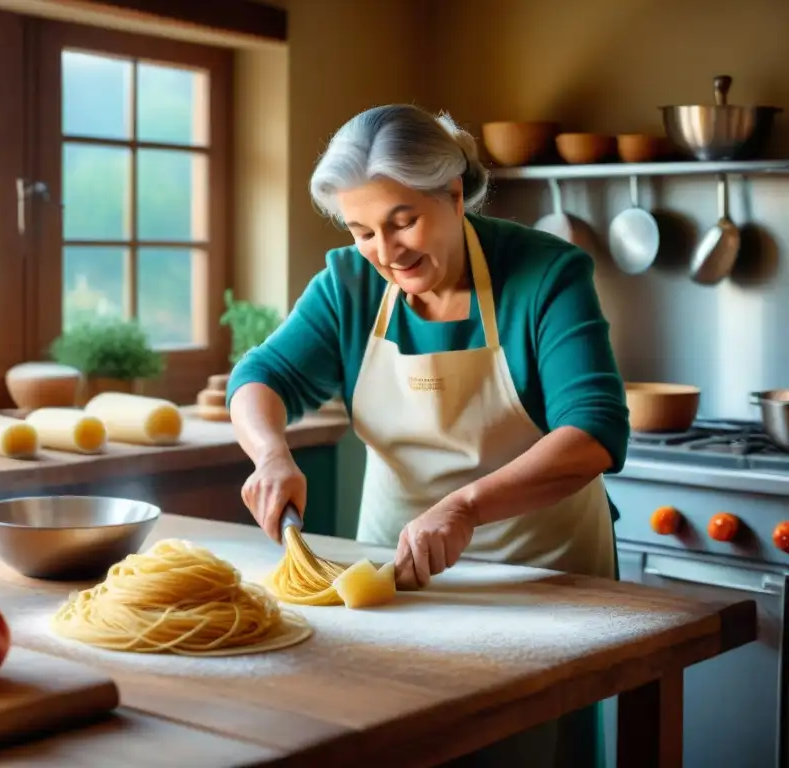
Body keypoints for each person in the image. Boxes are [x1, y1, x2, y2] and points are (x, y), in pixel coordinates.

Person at [225, 103, 630, 768]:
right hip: (394, 575)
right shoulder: (348, 285)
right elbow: (260, 375)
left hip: (541, 578)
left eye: (402, 221)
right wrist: (271, 454)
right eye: (363, 231)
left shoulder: (545, 273)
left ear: (454, 191)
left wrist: (467, 506)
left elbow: (593, 431)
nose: (387, 252)